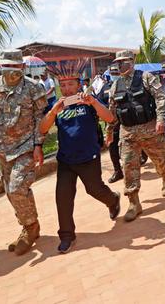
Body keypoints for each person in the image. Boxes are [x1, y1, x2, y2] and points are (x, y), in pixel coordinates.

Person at [39, 65, 120, 253]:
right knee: (63, 197)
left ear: (79, 85)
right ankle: (67, 235)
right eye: (63, 85)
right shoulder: (56, 107)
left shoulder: (89, 102)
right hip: (66, 160)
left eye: (70, 84)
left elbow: (109, 118)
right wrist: (53, 112)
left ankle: (112, 200)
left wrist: (93, 103)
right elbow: (42, 129)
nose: (67, 89)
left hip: (88, 157)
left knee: (94, 189)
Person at [0, 49, 48, 255]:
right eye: (6, 66)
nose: (11, 70)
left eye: (15, 66)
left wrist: (38, 146)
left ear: (23, 67)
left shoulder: (33, 88)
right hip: (2, 150)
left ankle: (30, 227)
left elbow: (40, 119)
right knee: (11, 193)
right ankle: (28, 224)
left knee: (17, 188)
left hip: (26, 147)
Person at [106, 50, 165, 222]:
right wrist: (109, 132)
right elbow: (112, 111)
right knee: (128, 167)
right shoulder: (115, 85)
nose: (120, 65)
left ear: (132, 61)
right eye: (118, 62)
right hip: (127, 133)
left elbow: (160, 97)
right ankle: (134, 203)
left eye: (124, 61)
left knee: (159, 160)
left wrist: (161, 119)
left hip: (150, 129)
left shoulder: (146, 77)